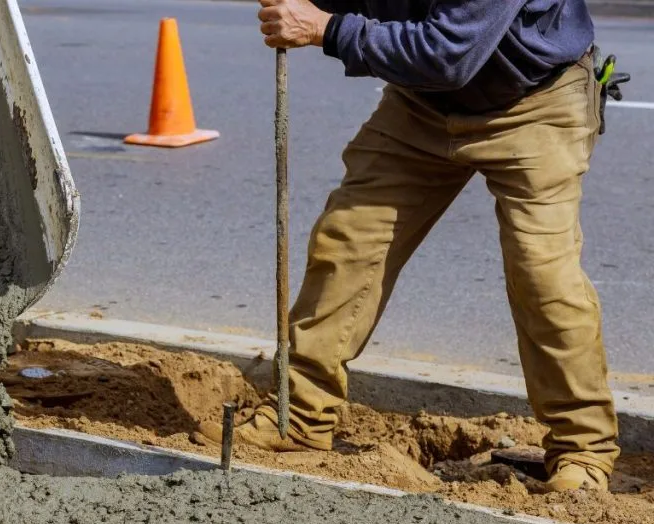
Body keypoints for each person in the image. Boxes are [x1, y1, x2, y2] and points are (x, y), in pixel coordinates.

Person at [195, 0, 630, 492]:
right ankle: (300, 417)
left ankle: (582, 450)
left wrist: (325, 28)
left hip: (534, 103)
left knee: (542, 273)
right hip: (421, 105)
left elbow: (449, 54)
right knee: (348, 241)